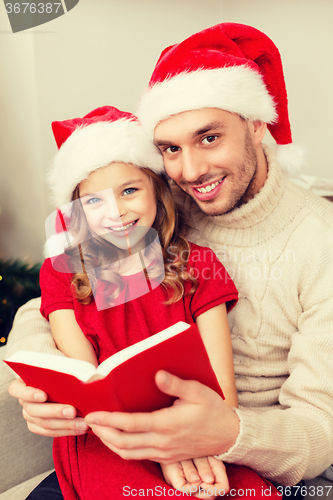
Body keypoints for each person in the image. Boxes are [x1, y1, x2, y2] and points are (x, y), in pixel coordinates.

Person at [7, 22, 333, 497]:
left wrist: (222, 435)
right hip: (121, 434)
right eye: (171, 150)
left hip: (242, 453)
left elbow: (319, 431)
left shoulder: (319, 242)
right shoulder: (156, 208)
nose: (191, 171)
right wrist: (44, 374)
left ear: (258, 125)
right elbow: (53, 295)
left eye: (209, 138)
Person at [16, 104, 279, 499]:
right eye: (93, 202)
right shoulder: (63, 274)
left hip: (195, 429)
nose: (116, 212)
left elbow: (223, 393)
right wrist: (160, 453)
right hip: (109, 436)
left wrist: (186, 446)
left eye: (129, 191)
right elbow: (90, 387)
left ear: (157, 190)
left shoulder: (198, 265)